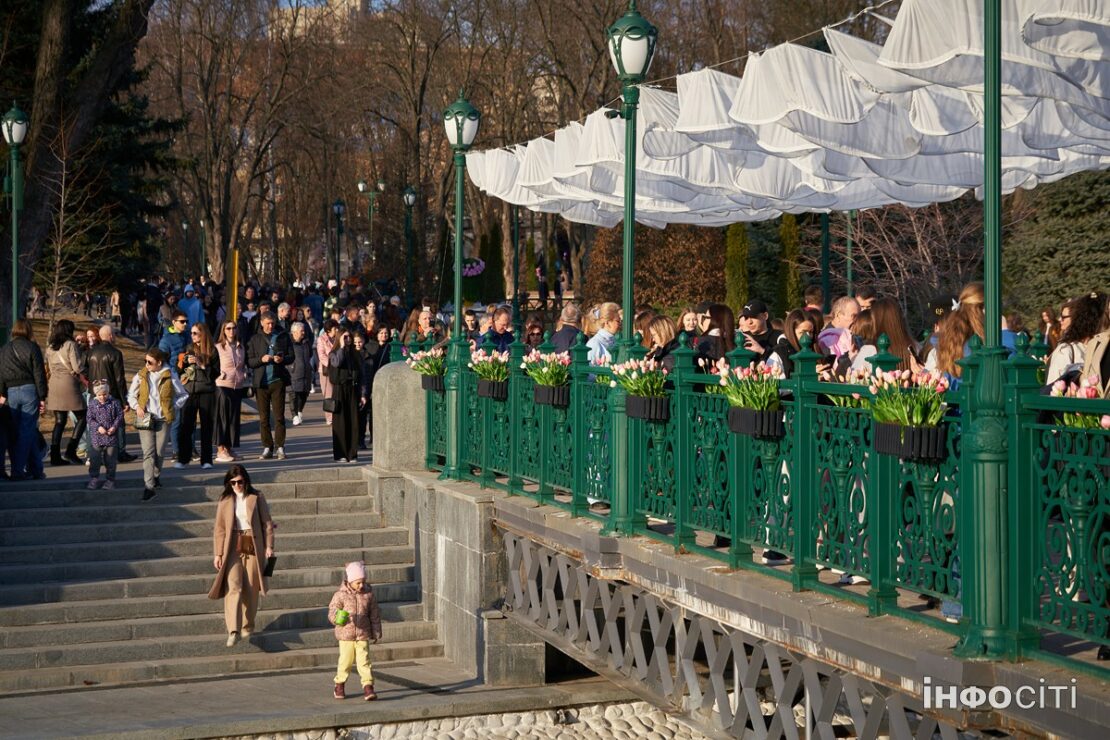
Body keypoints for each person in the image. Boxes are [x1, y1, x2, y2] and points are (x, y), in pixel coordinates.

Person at [208, 465, 275, 648]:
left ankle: (247, 625)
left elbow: (267, 524)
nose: (237, 485)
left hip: (250, 541)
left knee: (252, 587)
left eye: (240, 482)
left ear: (246, 481)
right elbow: (219, 529)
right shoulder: (225, 500)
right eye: (233, 482)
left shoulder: (256, 497)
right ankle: (233, 630)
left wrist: (269, 546)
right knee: (234, 586)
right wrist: (218, 553)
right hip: (232, 543)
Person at [128, 347, 187, 501]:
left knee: (159, 452)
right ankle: (148, 487)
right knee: (148, 452)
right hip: (145, 417)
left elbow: (183, 395)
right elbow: (131, 395)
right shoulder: (141, 375)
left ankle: (155, 476)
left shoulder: (170, 375)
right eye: (145, 361)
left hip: (162, 419)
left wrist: (173, 406)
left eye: (150, 362)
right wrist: (137, 406)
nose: (146, 364)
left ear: (159, 363)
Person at [0, 319, 48, 480]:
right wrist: (42, 396)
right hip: (29, 389)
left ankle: (36, 469)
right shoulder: (32, 347)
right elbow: (39, 373)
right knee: (27, 431)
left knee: (19, 432)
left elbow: (1, 374)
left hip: (11, 391)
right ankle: (19, 471)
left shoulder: (5, 349)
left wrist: (2, 393)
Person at [328, 561, 382, 701]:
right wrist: (337, 619)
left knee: (364, 661)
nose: (361, 585)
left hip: (362, 634)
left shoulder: (368, 595)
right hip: (346, 635)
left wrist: (376, 631)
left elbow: (374, 614)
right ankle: (339, 684)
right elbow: (332, 611)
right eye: (358, 583)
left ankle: (368, 686)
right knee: (345, 661)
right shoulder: (340, 595)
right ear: (350, 581)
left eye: (363, 582)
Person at [247, 313, 294, 460]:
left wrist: (282, 359)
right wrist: (261, 359)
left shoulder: (282, 336)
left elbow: (291, 356)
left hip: (277, 380)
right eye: (267, 323)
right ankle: (267, 447)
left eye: (272, 323)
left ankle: (280, 446)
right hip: (261, 382)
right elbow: (250, 361)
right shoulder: (255, 339)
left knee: (279, 416)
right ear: (261, 323)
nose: (270, 326)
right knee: (264, 418)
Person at [87, 325, 136, 462]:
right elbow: (119, 378)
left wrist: (92, 384)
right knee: (118, 422)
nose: (114, 336)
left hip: (94, 392)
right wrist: (124, 400)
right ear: (109, 336)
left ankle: (96, 453)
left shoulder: (91, 352)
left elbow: (85, 370)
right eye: (113, 334)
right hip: (111, 392)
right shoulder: (115, 353)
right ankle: (120, 452)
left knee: (96, 422)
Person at [176, 323, 219, 469]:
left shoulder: (212, 351)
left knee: (207, 426)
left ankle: (206, 460)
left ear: (203, 334)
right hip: (189, 390)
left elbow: (216, 373)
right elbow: (178, 368)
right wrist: (184, 362)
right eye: (192, 333)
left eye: (196, 333)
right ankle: (183, 458)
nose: (193, 336)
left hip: (206, 391)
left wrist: (202, 365)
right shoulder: (188, 348)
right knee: (186, 425)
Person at [45, 320, 87, 467]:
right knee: (83, 416)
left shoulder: (50, 347)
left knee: (59, 421)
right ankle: (71, 450)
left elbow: (49, 367)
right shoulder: (70, 345)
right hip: (68, 384)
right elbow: (77, 367)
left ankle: (55, 455)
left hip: (54, 385)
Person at [1046, 293, 1105, 384]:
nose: (1060, 320)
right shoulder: (1066, 350)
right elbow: (1053, 390)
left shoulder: (1103, 349)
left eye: (1064, 317)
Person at [328, 331, 368, 463]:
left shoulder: (356, 354)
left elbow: (362, 375)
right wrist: (341, 347)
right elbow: (337, 363)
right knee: (340, 422)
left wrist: (363, 394)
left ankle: (352, 453)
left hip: (353, 388)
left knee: (353, 421)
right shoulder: (334, 353)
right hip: (340, 389)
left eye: (349, 337)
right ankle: (341, 453)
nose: (348, 339)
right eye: (345, 337)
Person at [214, 321, 248, 463]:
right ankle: (220, 449)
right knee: (223, 418)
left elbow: (242, 365)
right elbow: (213, 365)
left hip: (238, 385)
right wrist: (219, 375)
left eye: (234, 328)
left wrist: (245, 373)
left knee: (233, 418)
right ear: (223, 330)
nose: (231, 331)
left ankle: (229, 447)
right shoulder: (218, 347)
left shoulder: (240, 347)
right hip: (222, 384)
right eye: (228, 328)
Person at [86, 379, 123, 490]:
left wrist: (114, 427)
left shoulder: (114, 403)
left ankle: (110, 480)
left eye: (104, 394)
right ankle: (94, 478)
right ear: (96, 394)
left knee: (110, 459)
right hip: (97, 436)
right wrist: (98, 427)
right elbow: (89, 418)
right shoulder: (92, 404)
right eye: (99, 395)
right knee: (95, 458)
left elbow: (119, 416)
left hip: (111, 436)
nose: (102, 397)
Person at [768, 309, 818, 378]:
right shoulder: (780, 353)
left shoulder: (814, 349)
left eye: (811, 332)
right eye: (803, 332)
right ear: (792, 332)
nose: (808, 336)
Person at [289, 321, 314, 427]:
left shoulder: (306, 342)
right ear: (294, 332)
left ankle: (299, 411)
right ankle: (294, 415)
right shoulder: (289, 343)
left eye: (304, 330)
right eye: (301, 331)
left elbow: (310, 355)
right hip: (294, 373)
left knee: (304, 394)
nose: (303, 333)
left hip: (306, 372)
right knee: (294, 395)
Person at [317, 320, 340, 426]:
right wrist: (331, 365)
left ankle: (338, 414)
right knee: (328, 393)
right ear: (329, 330)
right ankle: (329, 417)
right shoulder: (321, 339)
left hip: (338, 368)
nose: (337, 330)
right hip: (326, 370)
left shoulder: (339, 338)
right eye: (335, 328)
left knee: (338, 393)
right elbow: (321, 355)